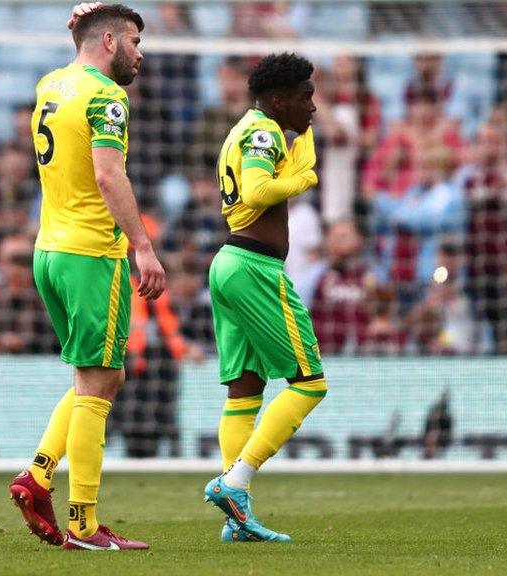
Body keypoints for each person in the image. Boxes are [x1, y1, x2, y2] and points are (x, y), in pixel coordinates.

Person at [8, 2, 165, 552]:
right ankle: (83, 524)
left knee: (92, 377)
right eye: (135, 41)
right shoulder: (108, 96)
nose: (140, 54)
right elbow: (107, 172)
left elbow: (78, 54)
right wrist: (142, 245)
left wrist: (81, 29)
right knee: (102, 380)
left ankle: (38, 475)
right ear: (109, 43)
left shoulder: (52, 83)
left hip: (48, 250)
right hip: (93, 253)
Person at [202, 53, 325, 543]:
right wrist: (301, 178)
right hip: (254, 268)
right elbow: (255, 192)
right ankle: (234, 482)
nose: (312, 107)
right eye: (305, 97)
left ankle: (238, 519)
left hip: (230, 263)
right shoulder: (263, 132)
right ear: (279, 100)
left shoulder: (246, 128)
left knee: (245, 392)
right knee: (310, 384)